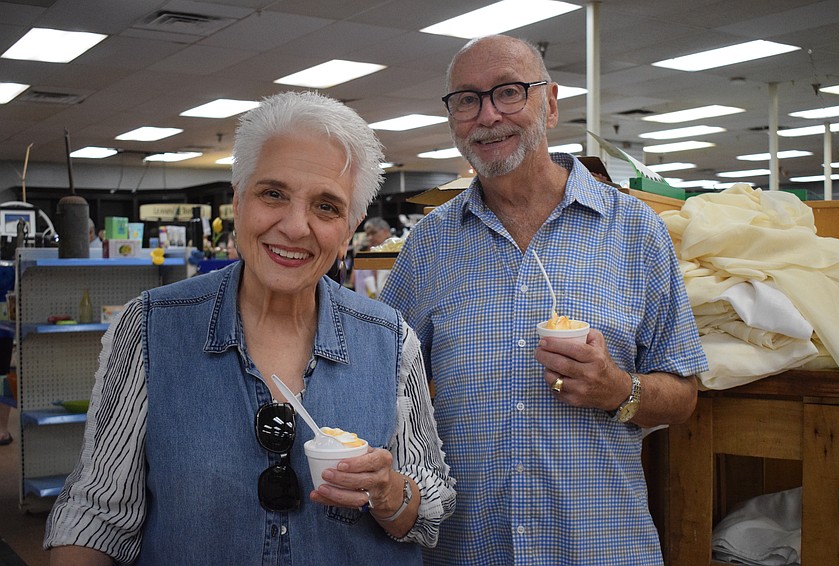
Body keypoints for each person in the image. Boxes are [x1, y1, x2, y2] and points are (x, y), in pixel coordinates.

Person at [44, 91, 455, 565]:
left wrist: (388, 494)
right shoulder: (151, 328)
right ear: (238, 201)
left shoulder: (389, 340)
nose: (296, 226)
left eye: (326, 206)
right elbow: (96, 516)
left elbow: (426, 513)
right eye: (273, 194)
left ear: (350, 228)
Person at [380, 35, 708, 566]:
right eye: (466, 99)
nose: (488, 115)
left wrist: (619, 389)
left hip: (602, 547)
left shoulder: (635, 232)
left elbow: (684, 395)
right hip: (469, 548)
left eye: (509, 92)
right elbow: (385, 383)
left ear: (550, 103)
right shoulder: (428, 247)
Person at [353, 217, 392, 298]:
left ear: (386, 232)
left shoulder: (395, 249)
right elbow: (353, 281)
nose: (370, 238)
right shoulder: (368, 252)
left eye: (373, 233)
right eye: (367, 234)